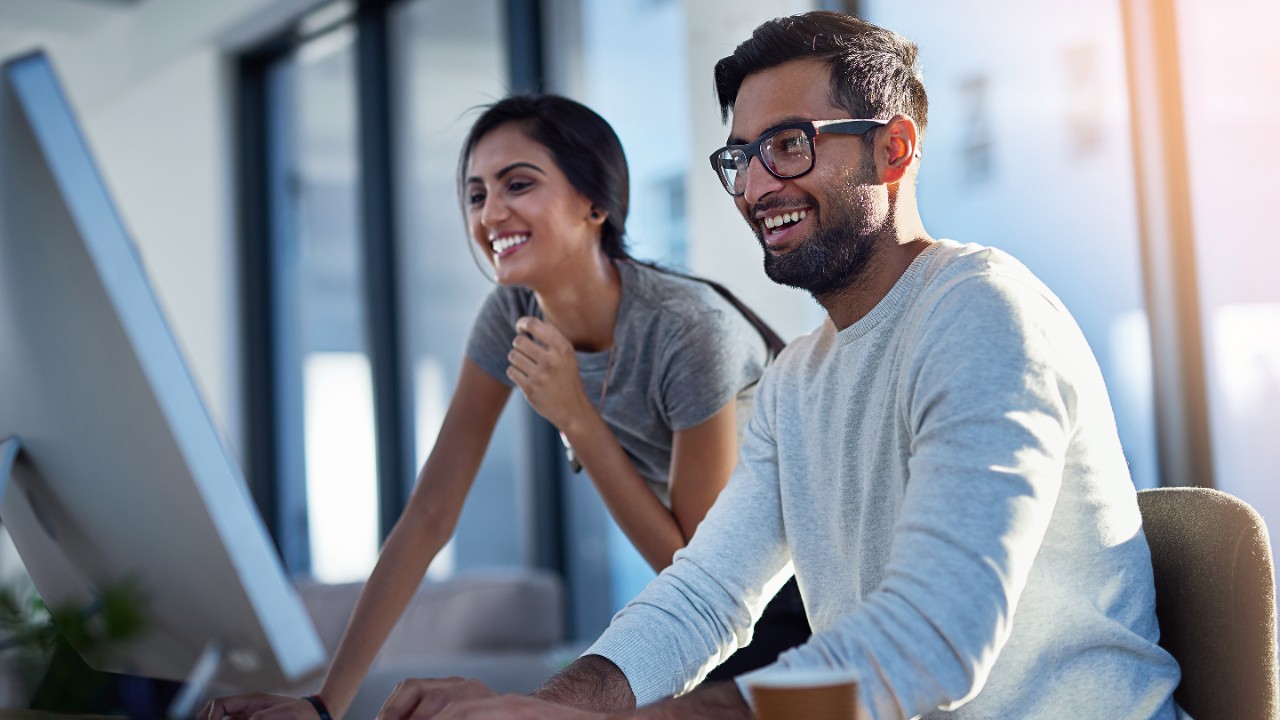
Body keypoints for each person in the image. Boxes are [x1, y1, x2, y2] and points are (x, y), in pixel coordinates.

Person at [371, 11, 1185, 720]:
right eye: (741, 157)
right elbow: (704, 597)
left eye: (788, 147)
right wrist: (536, 708)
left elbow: (933, 640)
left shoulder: (981, 314)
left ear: (893, 150)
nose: (758, 184)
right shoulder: (798, 379)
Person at [202, 94, 811, 720]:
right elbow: (432, 512)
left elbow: (696, 571)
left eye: (517, 184)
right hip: (702, 615)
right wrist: (326, 703)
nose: (491, 213)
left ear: (594, 204)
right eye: (475, 195)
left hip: (800, 593)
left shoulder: (688, 329)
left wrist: (576, 417)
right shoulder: (510, 314)